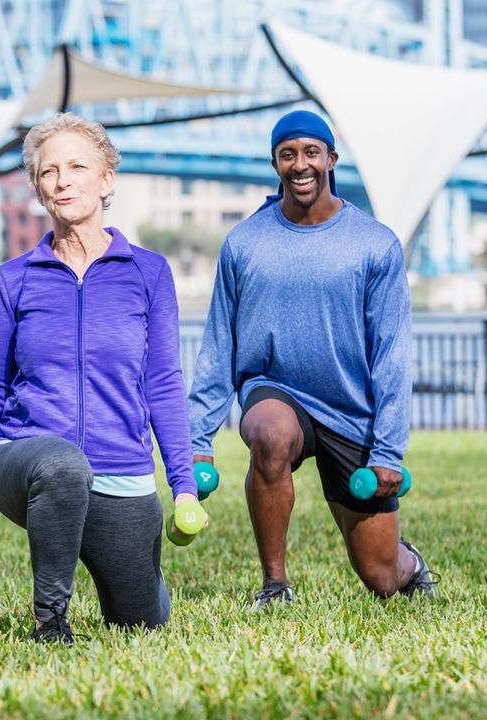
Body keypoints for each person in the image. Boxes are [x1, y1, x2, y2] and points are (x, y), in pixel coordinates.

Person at [0, 112, 206, 644]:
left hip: (121, 470)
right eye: (49, 172)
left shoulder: (149, 273)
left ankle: (139, 574)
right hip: (22, 458)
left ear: (106, 179)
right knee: (63, 465)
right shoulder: (13, 279)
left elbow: (162, 383)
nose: (63, 180)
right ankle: (50, 620)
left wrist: (184, 486)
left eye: (77, 166)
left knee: (140, 618)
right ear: (39, 189)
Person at [187, 110, 437, 610]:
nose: (300, 165)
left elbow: (392, 355)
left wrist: (388, 451)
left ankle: (410, 564)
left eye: (310, 153)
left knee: (382, 577)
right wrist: (198, 441)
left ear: (331, 159)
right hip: (275, 390)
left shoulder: (375, 244)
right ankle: (275, 586)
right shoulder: (244, 243)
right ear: (276, 163)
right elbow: (219, 349)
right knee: (269, 435)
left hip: (352, 409)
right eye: (288, 154)